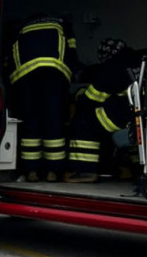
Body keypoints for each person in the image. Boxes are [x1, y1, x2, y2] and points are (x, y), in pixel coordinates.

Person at [8, 15, 77, 182]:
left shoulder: (21, 26)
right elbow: (72, 51)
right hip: (54, 73)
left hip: (25, 76)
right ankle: (54, 172)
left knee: (31, 122)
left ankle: (32, 171)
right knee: (53, 121)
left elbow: (9, 54)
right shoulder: (63, 24)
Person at [64, 38, 140, 183]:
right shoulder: (137, 59)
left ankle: (84, 171)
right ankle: (133, 169)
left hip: (124, 114)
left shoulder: (114, 66)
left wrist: (79, 95)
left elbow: (91, 98)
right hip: (139, 115)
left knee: (85, 121)